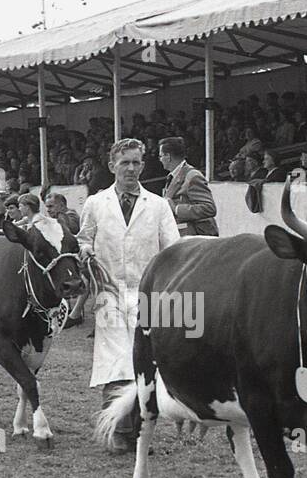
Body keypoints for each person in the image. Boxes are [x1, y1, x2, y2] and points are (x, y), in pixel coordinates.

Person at [77, 138, 180, 454]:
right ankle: (119, 432)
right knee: (114, 363)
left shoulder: (159, 205)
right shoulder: (96, 203)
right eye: (125, 163)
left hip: (149, 295)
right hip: (110, 294)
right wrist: (86, 252)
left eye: (137, 162)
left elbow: (173, 249)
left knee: (147, 363)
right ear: (112, 166)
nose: (132, 169)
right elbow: (84, 239)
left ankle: (139, 432)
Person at [158, 136, 217, 236]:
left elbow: (209, 208)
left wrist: (176, 209)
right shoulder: (173, 176)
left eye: (161, 156)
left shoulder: (193, 176)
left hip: (197, 240)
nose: (160, 160)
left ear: (168, 157)